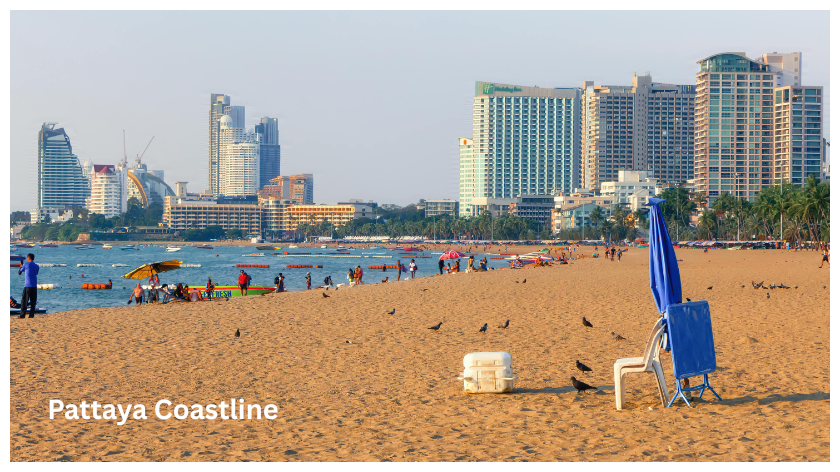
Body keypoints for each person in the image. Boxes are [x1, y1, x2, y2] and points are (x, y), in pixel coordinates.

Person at [18, 253, 39, 318]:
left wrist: (21, 267)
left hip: (27, 285)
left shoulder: (25, 264)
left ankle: (22, 315)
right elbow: (36, 273)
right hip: (34, 286)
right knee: (33, 301)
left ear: (28, 258)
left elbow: (19, 273)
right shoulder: (37, 266)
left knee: (24, 301)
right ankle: (31, 315)